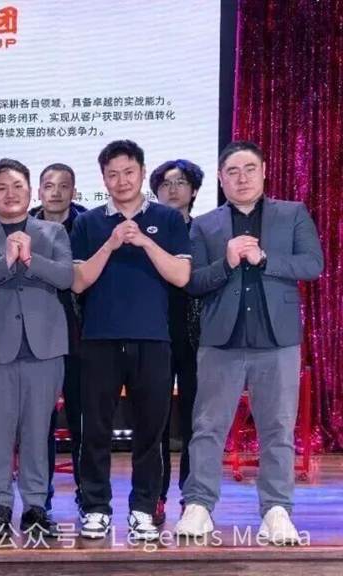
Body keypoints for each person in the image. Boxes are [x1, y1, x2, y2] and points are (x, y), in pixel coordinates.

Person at [176, 141, 324, 544]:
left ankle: (277, 510)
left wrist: (265, 259)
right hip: (220, 341)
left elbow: (313, 264)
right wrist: (225, 263)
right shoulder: (204, 225)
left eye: (249, 169)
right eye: (232, 172)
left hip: (277, 341)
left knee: (277, 428)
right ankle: (199, 505)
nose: (241, 178)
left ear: (264, 171)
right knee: (207, 427)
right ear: (220, 178)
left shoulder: (292, 214)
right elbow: (193, 282)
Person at [71, 140, 191, 542]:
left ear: (141, 172)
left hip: (153, 339)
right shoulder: (88, 223)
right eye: (112, 174)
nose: (121, 181)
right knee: (95, 430)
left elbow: (181, 276)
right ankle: (95, 508)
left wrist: (144, 241)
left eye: (128, 172)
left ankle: (143, 508)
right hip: (99, 339)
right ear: (102, 178)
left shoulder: (167, 219)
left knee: (150, 431)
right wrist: (111, 243)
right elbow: (78, 282)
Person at [0, 159, 73, 539]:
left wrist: (30, 258)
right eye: (1, 188)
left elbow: (66, 277)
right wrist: (6, 261)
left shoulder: (53, 232)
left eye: (17, 186)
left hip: (45, 348)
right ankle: (0, 505)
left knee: (37, 431)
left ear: (31, 191)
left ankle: (35, 506)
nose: (10, 194)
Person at [150, 159, 205, 526]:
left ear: (194, 190)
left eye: (181, 182)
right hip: (154, 333)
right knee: (154, 420)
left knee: (194, 420)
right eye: (165, 183)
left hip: (197, 337)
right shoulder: (146, 231)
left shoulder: (205, 231)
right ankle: (155, 496)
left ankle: (192, 496)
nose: (172, 189)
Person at [32, 163, 86, 513]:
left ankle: (87, 495)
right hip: (36, 337)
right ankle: (40, 497)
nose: (56, 192)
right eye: (49, 185)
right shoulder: (23, 227)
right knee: (39, 423)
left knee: (83, 419)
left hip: (82, 337)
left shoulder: (89, 225)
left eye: (63, 186)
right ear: (39, 191)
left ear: (73, 191)